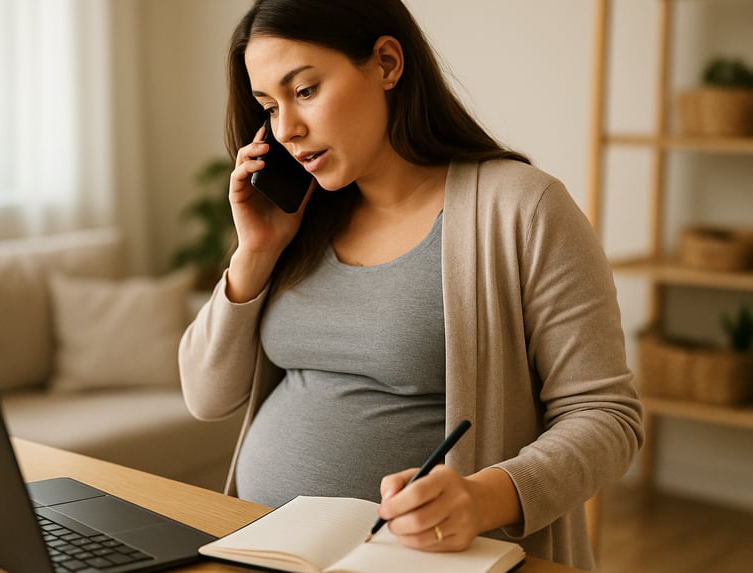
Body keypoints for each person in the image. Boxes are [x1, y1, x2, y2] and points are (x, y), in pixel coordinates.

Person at [179, 0, 643, 570]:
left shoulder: (522, 208)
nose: (287, 130)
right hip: (259, 547)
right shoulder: (299, 218)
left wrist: (483, 497)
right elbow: (206, 397)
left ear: (387, 63)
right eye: (269, 107)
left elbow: (607, 416)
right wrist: (255, 252)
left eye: (304, 91)